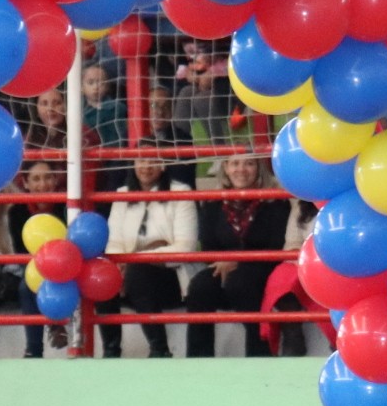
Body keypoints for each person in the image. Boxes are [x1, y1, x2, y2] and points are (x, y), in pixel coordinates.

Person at [183, 153, 292, 357]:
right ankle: (198, 359)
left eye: (249, 163)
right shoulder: (213, 202)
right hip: (222, 266)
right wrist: (225, 261)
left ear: (258, 168)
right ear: (225, 167)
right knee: (199, 287)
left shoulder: (275, 202)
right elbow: (207, 245)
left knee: (242, 284)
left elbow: (275, 246)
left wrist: (237, 260)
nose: (241, 169)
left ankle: (260, 355)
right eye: (234, 163)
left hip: (261, 267)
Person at [100, 137, 197, 358]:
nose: (146, 166)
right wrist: (120, 264)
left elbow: (185, 246)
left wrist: (136, 259)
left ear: (163, 164)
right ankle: (111, 350)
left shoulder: (181, 192)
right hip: (128, 273)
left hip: (169, 277)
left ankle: (159, 350)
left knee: (139, 273)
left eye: (153, 160)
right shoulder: (122, 194)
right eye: (141, 160)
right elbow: (113, 242)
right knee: (101, 277)